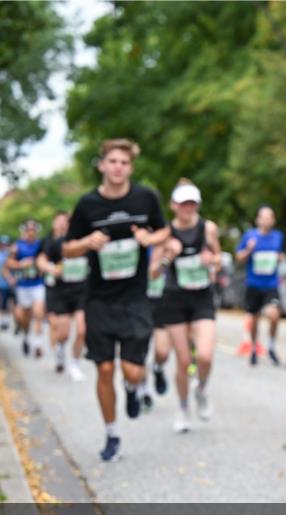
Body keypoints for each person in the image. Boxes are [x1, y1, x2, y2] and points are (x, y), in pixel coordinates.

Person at [63, 138, 170, 462]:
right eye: (112, 161)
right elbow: (67, 248)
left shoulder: (145, 197)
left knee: (132, 371)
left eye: (124, 162)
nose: (118, 167)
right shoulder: (87, 205)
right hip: (99, 298)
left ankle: (134, 388)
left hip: (135, 297)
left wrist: (149, 238)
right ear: (102, 166)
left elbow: (164, 232)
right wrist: (86, 243)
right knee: (105, 368)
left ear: (130, 168)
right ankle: (112, 434)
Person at [150, 179, 221, 433]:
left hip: (202, 297)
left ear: (198, 205)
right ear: (174, 206)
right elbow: (153, 273)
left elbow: (219, 260)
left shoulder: (208, 228)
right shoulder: (165, 233)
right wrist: (169, 256)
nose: (188, 209)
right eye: (183, 204)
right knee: (183, 361)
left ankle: (200, 390)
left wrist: (211, 260)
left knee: (204, 356)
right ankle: (182, 408)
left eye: (192, 204)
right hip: (175, 299)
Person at [37, 211, 87, 381]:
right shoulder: (54, 243)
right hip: (61, 291)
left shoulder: (83, 240)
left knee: (81, 330)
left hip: (81, 290)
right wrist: (51, 269)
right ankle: (60, 350)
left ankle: (75, 362)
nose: (62, 224)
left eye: (65, 221)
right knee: (63, 332)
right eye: (58, 221)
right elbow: (41, 260)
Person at [235, 206, 285, 366]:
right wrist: (248, 250)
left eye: (269, 217)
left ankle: (271, 345)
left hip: (271, 284)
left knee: (274, 315)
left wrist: (280, 257)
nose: (266, 220)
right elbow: (239, 257)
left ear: (273, 220)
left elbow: (280, 255)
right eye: (262, 217)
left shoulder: (278, 237)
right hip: (254, 284)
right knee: (254, 318)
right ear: (258, 220)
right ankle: (255, 347)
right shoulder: (250, 236)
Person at [6, 220, 47, 357]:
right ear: (24, 231)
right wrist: (21, 264)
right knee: (25, 316)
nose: (31, 232)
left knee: (39, 313)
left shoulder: (40, 245)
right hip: (23, 285)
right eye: (28, 230)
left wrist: (42, 266)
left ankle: (38, 343)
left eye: (33, 230)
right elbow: (9, 263)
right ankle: (26, 336)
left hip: (38, 283)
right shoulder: (17, 246)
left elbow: (46, 259)